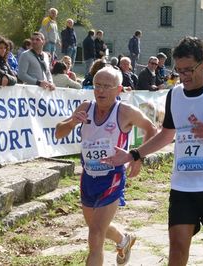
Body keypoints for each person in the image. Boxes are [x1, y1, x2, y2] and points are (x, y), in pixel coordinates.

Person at [102, 36, 203, 266]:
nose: (183, 76)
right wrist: (134, 154)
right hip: (183, 186)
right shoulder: (175, 94)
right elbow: (167, 134)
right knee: (176, 248)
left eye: (188, 70)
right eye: (179, 70)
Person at [54, 66, 157, 266]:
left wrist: (138, 157)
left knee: (95, 234)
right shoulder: (85, 107)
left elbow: (151, 129)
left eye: (106, 87)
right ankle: (123, 240)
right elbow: (59, 132)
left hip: (112, 177)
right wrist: (72, 123)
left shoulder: (126, 112)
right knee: (95, 225)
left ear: (118, 90)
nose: (100, 91)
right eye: (97, 85)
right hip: (88, 176)